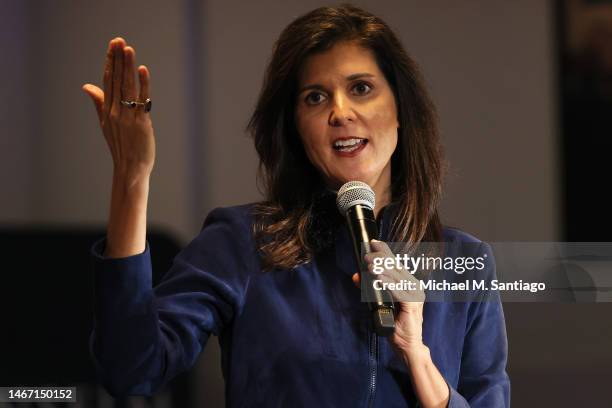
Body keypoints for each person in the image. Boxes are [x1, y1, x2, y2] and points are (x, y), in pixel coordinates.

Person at [82, 4, 510, 407]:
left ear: (399, 109)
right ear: (297, 128)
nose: (340, 112)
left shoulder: (464, 262)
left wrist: (418, 356)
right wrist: (132, 179)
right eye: (315, 98)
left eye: (361, 88)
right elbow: (131, 369)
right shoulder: (243, 243)